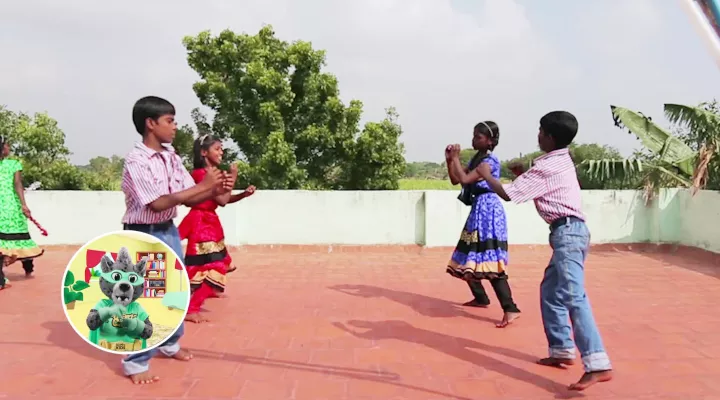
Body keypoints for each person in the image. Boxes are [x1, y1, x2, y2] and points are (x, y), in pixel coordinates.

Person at [476, 111, 613, 391]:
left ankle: (597, 363)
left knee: (573, 295)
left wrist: (486, 175)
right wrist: (522, 174)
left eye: (540, 131)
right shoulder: (561, 159)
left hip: (568, 233)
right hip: (569, 233)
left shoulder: (546, 167)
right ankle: (562, 349)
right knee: (551, 291)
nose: (537, 135)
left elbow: (508, 194)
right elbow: (540, 185)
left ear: (549, 136)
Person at [119, 96, 235, 384]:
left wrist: (215, 188)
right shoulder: (137, 160)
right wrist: (206, 186)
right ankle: (135, 362)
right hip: (144, 233)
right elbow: (157, 203)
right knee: (148, 298)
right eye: (169, 121)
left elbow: (189, 194)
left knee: (176, 291)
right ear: (151, 123)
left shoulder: (170, 157)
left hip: (166, 230)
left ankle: (169, 344)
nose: (175, 127)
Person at [445, 121, 521, 328]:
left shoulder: (489, 161)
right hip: (479, 210)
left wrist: (457, 159)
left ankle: (510, 308)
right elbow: (456, 180)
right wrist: (450, 161)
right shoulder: (477, 159)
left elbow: (465, 178)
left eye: (478, 137)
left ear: (490, 141)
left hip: (488, 212)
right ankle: (480, 298)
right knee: (468, 254)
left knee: (488, 258)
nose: (473, 140)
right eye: (473, 136)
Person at [178, 134, 256, 323]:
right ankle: (192, 307)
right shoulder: (201, 174)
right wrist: (234, 177)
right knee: (213, 266)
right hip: (201, 225)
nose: (221, 152)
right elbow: (221, 200)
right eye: (217, 148)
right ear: (204, 153)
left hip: (209, 223)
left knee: (217, 261)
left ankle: (210, 290)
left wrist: (242, 195)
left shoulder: (213, 173)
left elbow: (223, 199)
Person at [0, 135, 43, 289]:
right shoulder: (14, 164)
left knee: (2, 242)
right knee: (20, 237)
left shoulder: (13, 163)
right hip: (10, 206)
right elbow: (18, 185)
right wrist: (24, 205)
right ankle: (28, 266)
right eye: (6, 146)